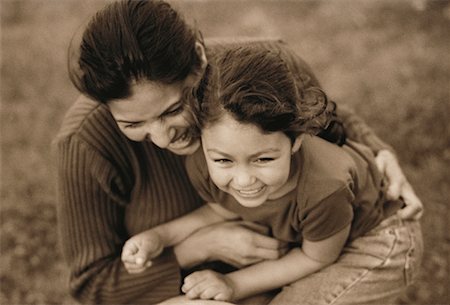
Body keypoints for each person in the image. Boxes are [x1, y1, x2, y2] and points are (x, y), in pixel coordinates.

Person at [55, 0, 423, 304]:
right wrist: (195, 247)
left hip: (319, 251)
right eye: (132, 124)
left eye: (172, 110)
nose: (163, 138)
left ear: (199, 60)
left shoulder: (265, 70)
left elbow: (331, 119)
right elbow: (92, 285)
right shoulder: (85, 143)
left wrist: (380, 154)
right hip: (212, 284)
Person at [121, 47, 424, 304]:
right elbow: (218, 210)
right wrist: (159, 237)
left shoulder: (324, 187)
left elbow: (316, 258)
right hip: (310, 243)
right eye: (224, 160)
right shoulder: (203, 162)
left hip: (377, 243)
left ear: (297, 140)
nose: (243, 180)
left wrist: (233, 284)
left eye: (263, 159)